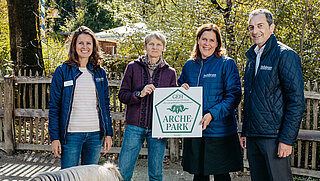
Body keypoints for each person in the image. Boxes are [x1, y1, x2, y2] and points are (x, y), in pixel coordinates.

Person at [240, 9, 305, 181]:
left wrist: (287, 139)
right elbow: (251, 98)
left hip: (275, 138)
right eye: (251, 27)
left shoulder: (285, 55)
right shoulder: (251, 57)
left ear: (272, 27)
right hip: (254, 137)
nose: (255, 31)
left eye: (260, 26)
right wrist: (246, 131)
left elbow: (296, 102)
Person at [178, 23, 243, 181]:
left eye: (212, 40)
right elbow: (179, 89)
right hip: (195, 129)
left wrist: (212, 115)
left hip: (220, 131)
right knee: (199, 174)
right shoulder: (189, 65)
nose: (207, 43)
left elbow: (234, 95)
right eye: (204, 39)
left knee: (221, 175)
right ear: (198, 40)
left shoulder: (227, 64)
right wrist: (180, 87)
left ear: (217, 43)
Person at [48, 26, 113, 169]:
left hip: (95, 135)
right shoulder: (62, 71)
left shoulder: (99, 72)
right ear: (74, 46)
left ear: (94, 46)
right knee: (69, 176)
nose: (85, 47)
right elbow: (54, 107)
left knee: (89, 176)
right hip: (70, 135)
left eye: (88, 43)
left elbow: (105, 105)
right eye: (80, 43)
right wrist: (55, 137)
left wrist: (108, 133)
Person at [118, 32, 177, 181]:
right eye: (151, 44)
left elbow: (174, 102)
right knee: (123, 171)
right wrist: (139, 94)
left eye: (158, 44)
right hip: (134, 126)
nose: (155, 47)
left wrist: (182, 89)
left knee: (156, 174)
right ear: (146, 46)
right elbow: (122, 95)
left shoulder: (170, 72)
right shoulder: (133, 67)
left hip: (158, 129)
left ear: (163, 47)